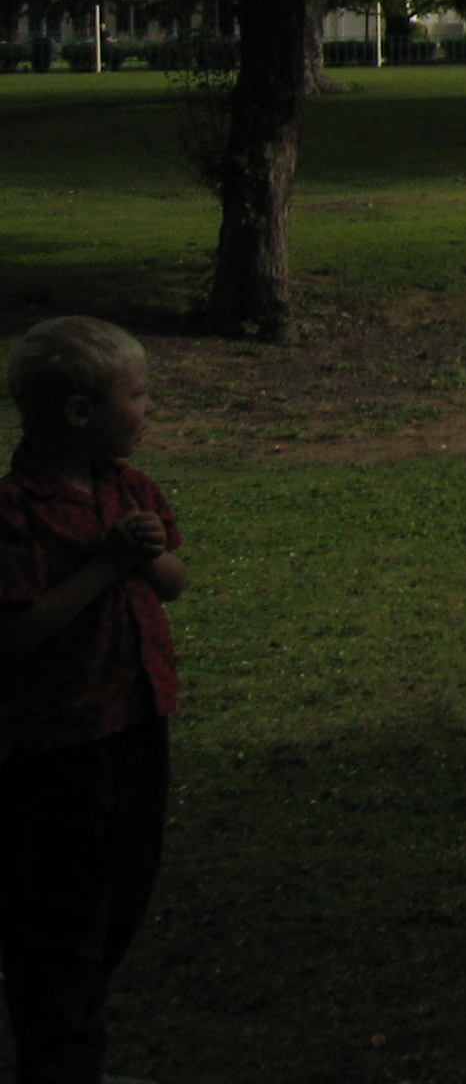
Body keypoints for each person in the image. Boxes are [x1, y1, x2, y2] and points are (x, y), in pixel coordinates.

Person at [0, 317, 187, 1084]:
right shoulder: (16, 511)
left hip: (137, 722)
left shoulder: (130, 487)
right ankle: (59, 1059)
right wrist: (108, 563)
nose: (149, 408)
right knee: (61, 916)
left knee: (121, 894)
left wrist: (148, 557)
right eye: (137, 396)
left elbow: (174, 581)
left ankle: (73, 1047)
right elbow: (15, 634)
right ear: (81, 412)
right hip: (59, 745)